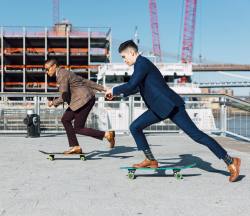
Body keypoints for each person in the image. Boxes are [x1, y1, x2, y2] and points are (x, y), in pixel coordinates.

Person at [105, 40, 241, 182]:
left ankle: (231, 161)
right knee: (135, 127)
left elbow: (131, 84)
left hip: (172, 106)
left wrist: (113, 90)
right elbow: (135, 87)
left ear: (132, 53)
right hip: (159, 107)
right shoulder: (140, 65)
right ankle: (150, 160)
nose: (124, 60)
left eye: (123, 56)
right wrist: (115, 94)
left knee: (197, 136)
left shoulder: (142, 63)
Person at [45, 59, 115, 154]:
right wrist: (103, 88)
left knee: (78, 128)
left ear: (54, 66)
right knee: (65, 119)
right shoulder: (66, 72)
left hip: (83, 101)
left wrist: (53, 103)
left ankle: (106, 134)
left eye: (47, 69)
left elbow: (64, 96)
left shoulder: (61, 75)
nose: (46, 72)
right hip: (81, 100)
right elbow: (85, 81)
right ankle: (75, 146)